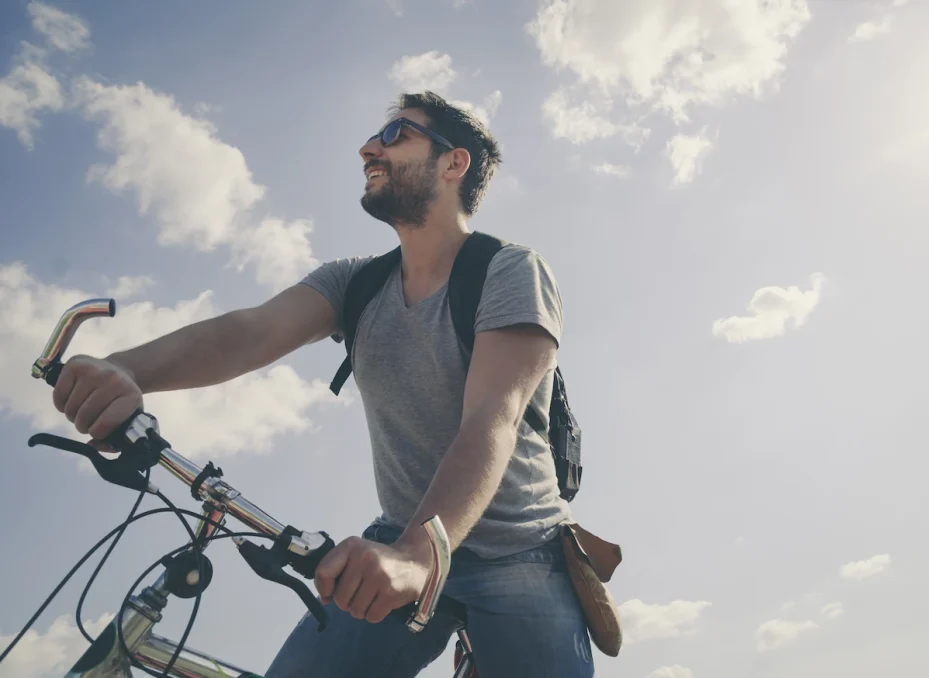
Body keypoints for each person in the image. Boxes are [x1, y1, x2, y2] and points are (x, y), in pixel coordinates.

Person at [49, 91, 594, 676]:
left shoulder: (509, 270)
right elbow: (248, 332)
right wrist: (128, 370)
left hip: (521, 552)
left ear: (453, 163)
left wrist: (419, 555)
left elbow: (494, 415)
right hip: (393, 541)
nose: (368, 147)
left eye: (396, 134)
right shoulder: (353, 284)